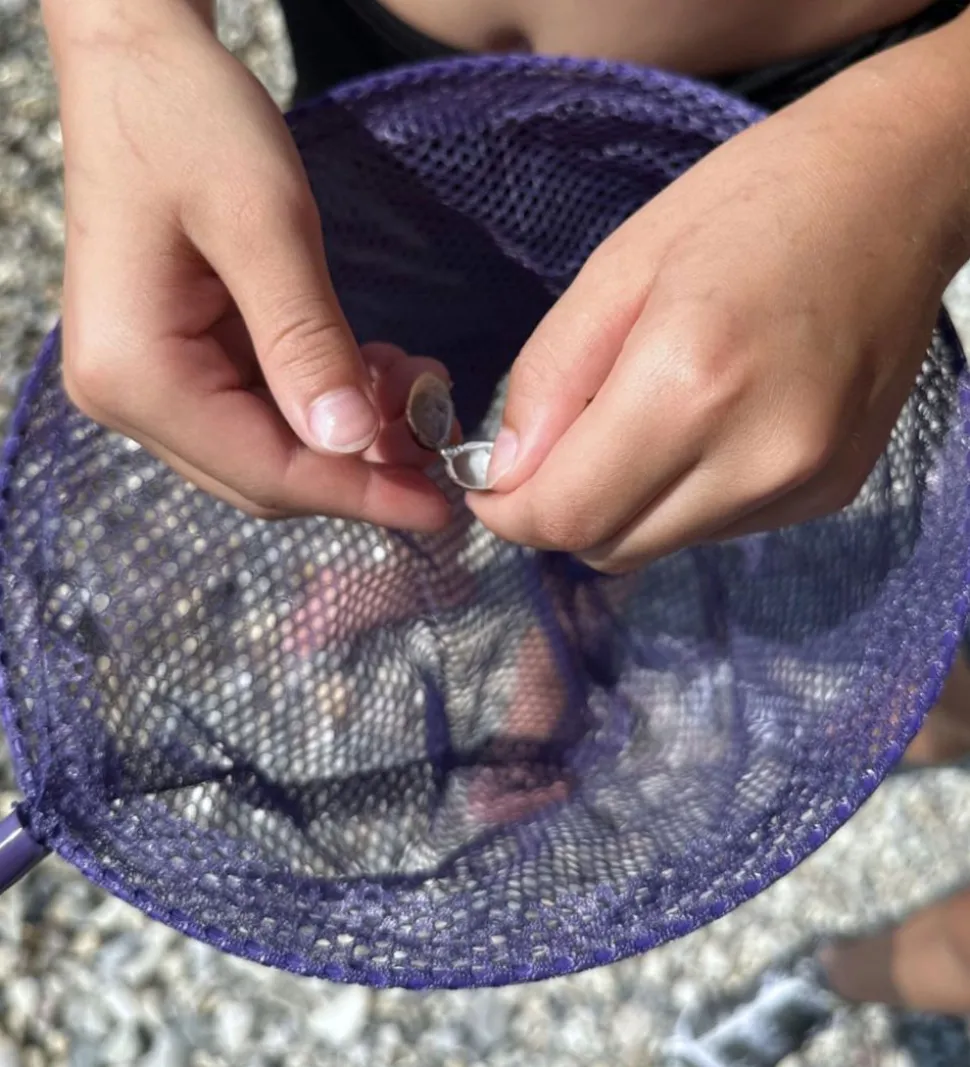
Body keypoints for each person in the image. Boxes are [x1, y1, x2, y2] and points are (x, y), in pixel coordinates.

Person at [39, 0, 970, 1041]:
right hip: (381, 63)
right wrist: (119, 32)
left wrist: (928, 140)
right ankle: (448, 556)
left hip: (786, 116)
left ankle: (566, 599)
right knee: (385, 389)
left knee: (635, 445)